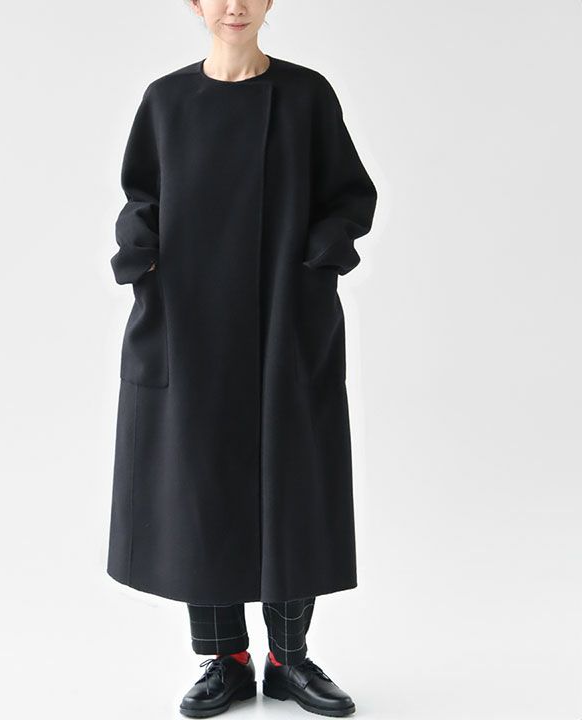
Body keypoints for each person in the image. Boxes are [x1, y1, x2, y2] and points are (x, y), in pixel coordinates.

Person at [107, 1, 378, 716]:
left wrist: (316, 262)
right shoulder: (166, 100)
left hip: (286, 318)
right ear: (195, 4)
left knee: (295, 481)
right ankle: (224, 659)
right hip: (189, 322)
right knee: (199, 485)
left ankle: (290, 660)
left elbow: (349, 196)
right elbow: (141, 196)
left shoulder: (306, 95)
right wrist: (143, 259)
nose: (235, 6)